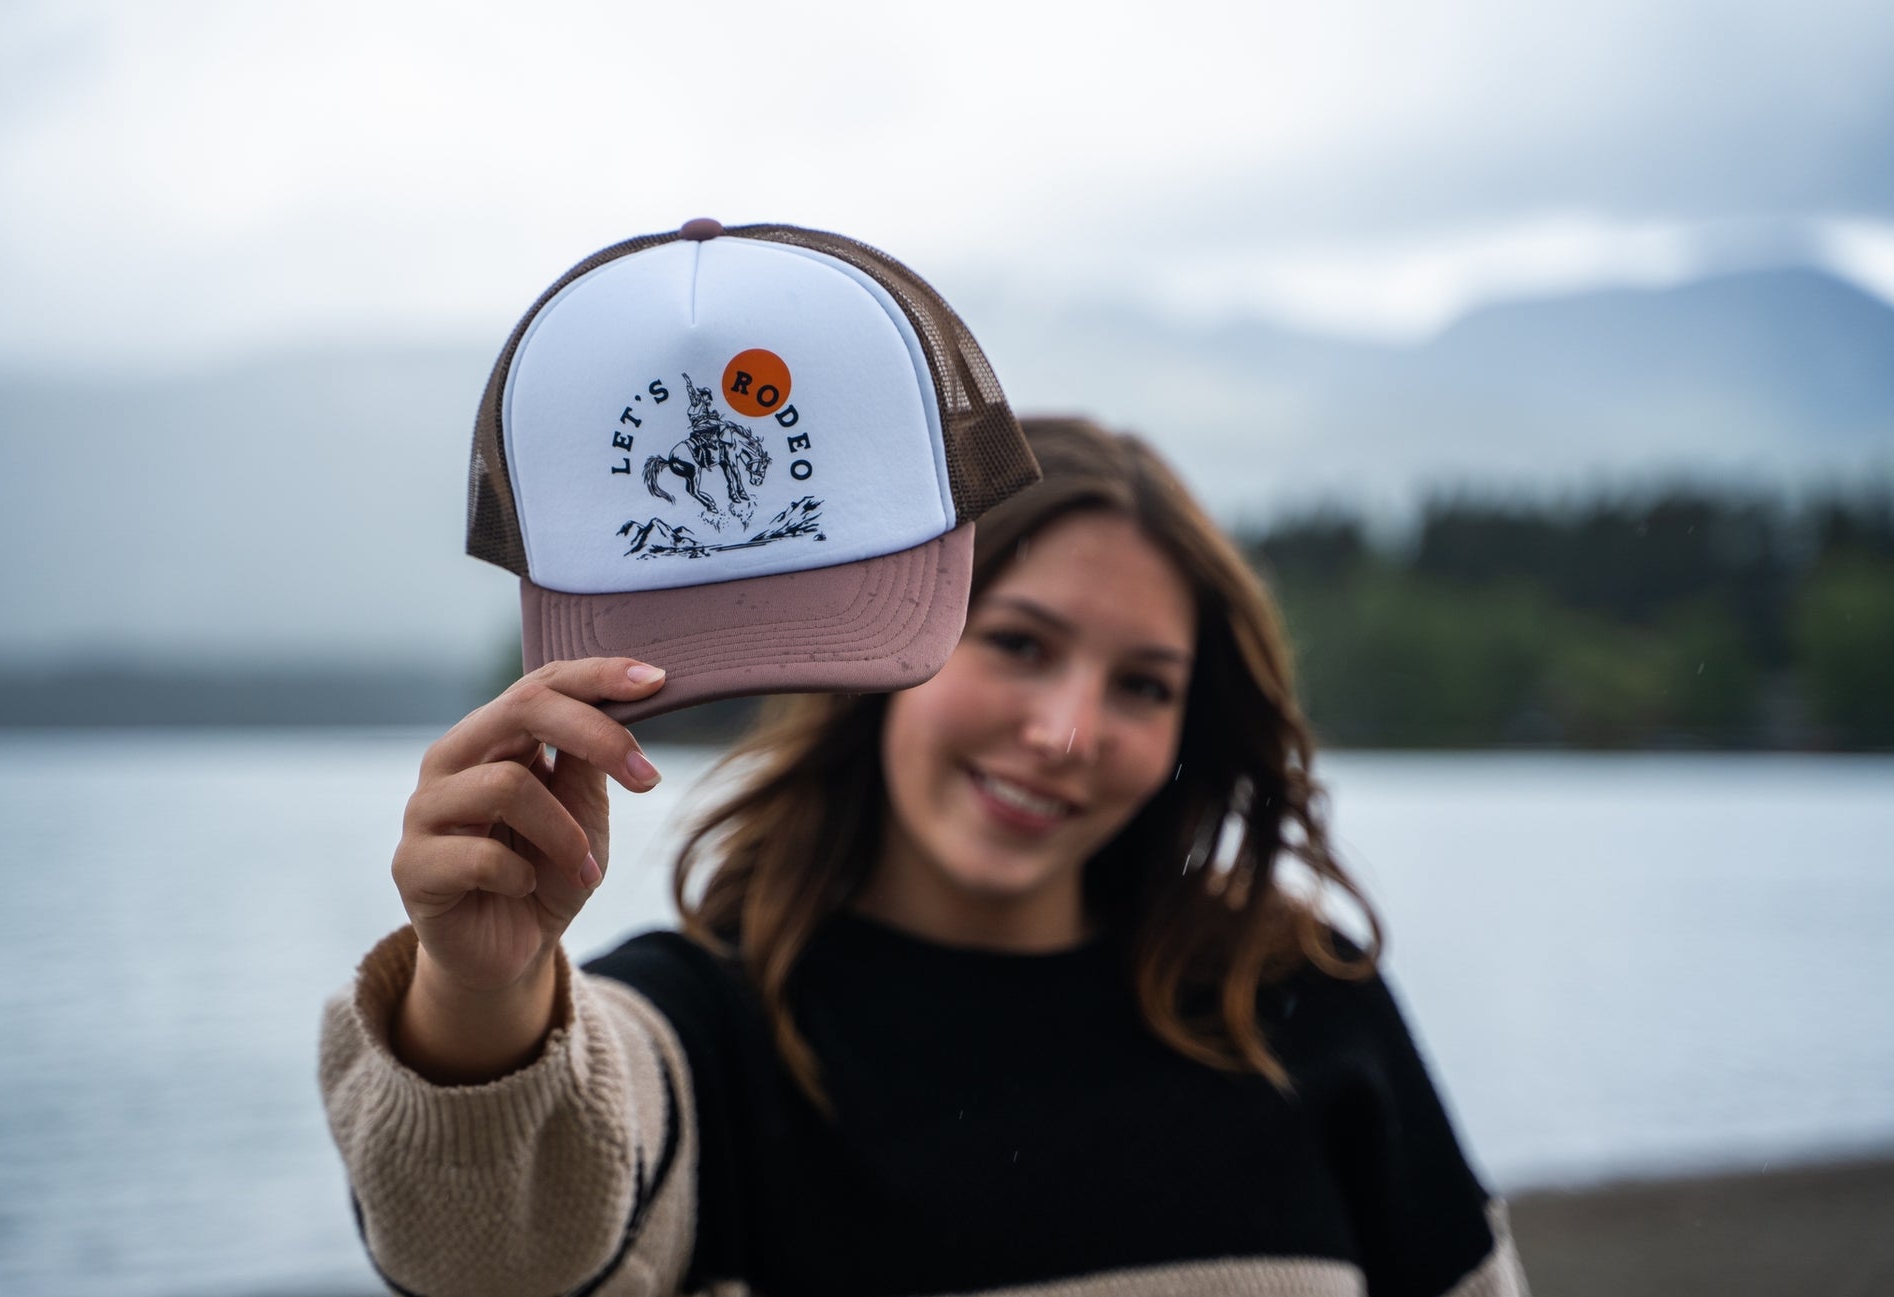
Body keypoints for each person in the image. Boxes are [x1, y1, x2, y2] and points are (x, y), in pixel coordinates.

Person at [321, 416, 1529, 1296]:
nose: (1066, 732)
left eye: (1142, 685)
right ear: (885, 654)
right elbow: (485, 1260)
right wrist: (479, 990)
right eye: (1017, 644)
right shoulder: (701, 1033)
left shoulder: (1297, 1002)